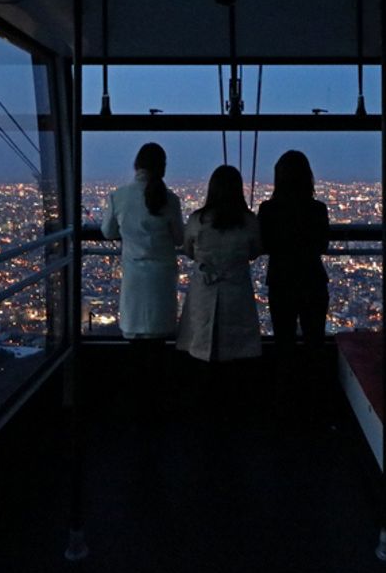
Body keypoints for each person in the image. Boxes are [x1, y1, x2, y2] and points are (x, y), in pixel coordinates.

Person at [101, 143, 184, 409]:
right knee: (159, 346)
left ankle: (136, 404)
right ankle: (159, 402)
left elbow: (107, 231)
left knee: (136, 344)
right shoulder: (170, 200)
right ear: (162, 168)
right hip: (161, 279)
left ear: (136, 165)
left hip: (135, 279)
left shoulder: (119, 196)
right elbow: (179, 237)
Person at [176, 165, 262, 363]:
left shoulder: (197, 220)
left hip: (204, 289)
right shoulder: (248, 221)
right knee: (237, 349)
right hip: (237, 289)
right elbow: (256, 251)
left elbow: (188, 250)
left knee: (201, 342)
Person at [257, 150, 330, 366]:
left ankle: (286, 390)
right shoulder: (318, 209)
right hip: (313, 280)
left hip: (281, 281)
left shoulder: (268, 209)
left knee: (283, 341)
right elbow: (322, 245)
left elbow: (263, 244)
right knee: (315, 341)